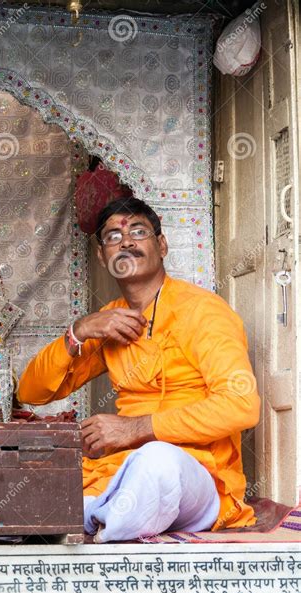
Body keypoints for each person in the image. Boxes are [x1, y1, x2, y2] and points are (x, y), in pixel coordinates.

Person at [17, 197, 260, 542]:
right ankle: (97, 517)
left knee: (156, 461)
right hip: (122, 470)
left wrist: (135, 429)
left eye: (138, 231)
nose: (126, 241)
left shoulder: (203, 312)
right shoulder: (111, 322)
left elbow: (242, 406)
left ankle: (89, 522)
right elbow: (32, 393)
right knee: (34, 478)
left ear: (161, 245)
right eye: (113, 236)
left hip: (197, 476)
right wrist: (79, 331)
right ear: (103, 256)